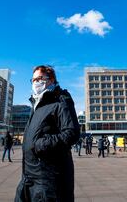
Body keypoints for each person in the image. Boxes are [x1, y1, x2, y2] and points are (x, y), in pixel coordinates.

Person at [15, 65, 80, 202]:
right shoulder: (37, 104)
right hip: (28, 177)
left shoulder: (60, 100)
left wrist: (40, 144)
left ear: (50, 80)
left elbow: (71, 133)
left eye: (39, 78)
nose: (35, 82)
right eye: (33, 80)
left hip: (47, 180)